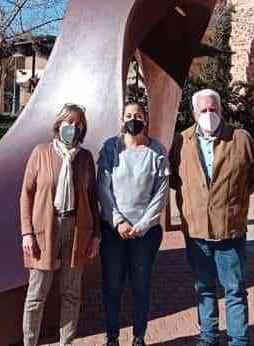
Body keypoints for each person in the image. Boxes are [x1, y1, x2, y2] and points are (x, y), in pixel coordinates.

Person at [169, 88, 254, 346]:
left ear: (221, 110)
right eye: (204, 110)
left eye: (213, 109)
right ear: (194, 112)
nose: (209, 114)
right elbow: (175, 180)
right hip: (197, 230)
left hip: (230, 229)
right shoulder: (181, 141)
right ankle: (208, 336)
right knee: (204, 289)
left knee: (234, 290)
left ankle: (238, 339)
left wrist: (233, 201)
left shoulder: (240, 138)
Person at [20, 103, 100, 346]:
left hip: (76, 229)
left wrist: (96, 235)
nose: (73, 128)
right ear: (59, 125)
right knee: (36, 294)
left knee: (71, 294)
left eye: (78, 124)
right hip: (46, 228)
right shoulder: (41, 153)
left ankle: (66, 342)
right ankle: (30, 342)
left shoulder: (85, 158)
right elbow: (27, 193)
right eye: (69, 122)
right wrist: (27, 232)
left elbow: (92, 197)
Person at [97, 101, 169, 346]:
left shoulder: (157, 151)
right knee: (113, 286)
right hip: (114, 231)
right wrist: (118, 222)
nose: (133, 119)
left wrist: (144, 225)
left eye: (138, 115)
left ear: (145, 120)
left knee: (141, 286)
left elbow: (160, 193)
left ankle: (139, 336)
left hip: (144, 234)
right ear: (122, 119)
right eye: (128, 115)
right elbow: (103, 188)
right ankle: (112, 337)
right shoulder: (111, 148)